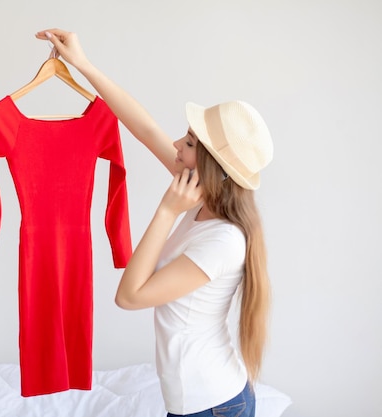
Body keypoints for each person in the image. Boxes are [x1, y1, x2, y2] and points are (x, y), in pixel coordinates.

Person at [35, 29, 273, 417]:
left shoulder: (224, 240)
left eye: (190, 143)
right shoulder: (202, 197)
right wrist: (83, 64)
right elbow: (145, 129)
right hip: (199, 402)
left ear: (214, 167)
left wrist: (166, 211)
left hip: (213, 406)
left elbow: (129, 297)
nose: (178, 145)